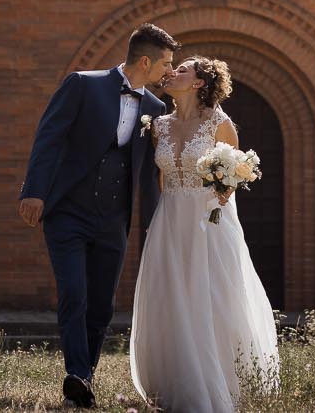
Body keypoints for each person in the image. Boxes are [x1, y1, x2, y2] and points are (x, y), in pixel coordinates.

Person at [19, 23, 177, 408]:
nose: (169, 72)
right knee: (74, 293)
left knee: (102, 304)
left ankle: (84, 379)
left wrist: (156, 220)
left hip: (112, 220)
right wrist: (34, 191)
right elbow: (49, 137)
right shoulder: (82, 85)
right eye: (166, 64)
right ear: (145, 61)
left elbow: (148, 172)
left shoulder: (156, 110)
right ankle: (76, 372)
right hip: (67, 213)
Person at [128, 55, 280, 413]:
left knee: (211, 295)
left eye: (181, 70)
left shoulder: (220, 123)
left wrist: (217, 195)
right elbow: (161, 177)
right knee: (170, 294)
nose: (171, 72)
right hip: (170, 219)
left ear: (198, 83)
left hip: (208, 221)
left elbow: (234, 175)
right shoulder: (158, 127)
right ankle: (173, 382)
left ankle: (222, 382)